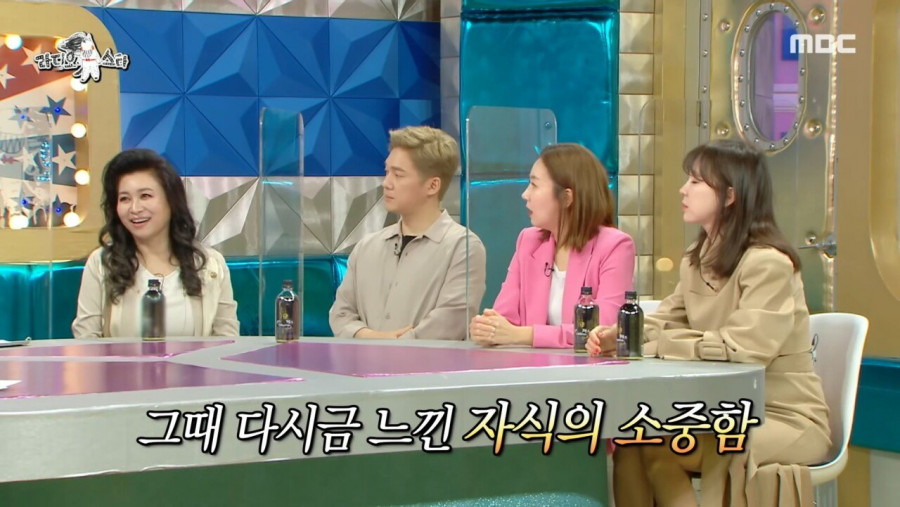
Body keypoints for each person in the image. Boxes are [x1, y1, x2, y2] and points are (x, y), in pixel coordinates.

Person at [587, 139, 831, 506]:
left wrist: (664, 345)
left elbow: (745, 350)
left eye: (696, 181)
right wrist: (621, 335)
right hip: (722, 410)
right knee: (634, 441)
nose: (683, 190)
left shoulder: (768, 263)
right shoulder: (695, 258)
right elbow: (667, 319)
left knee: (674, 447)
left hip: (783, 416)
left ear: (730, 195)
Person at [469, 143, 635, 348]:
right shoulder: (528, 241)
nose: (525, 194)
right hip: (529, 364)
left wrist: (524, 335)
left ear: (566, 197)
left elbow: (603, 330)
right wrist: (487, 328)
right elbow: (504, 318)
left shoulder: (615, 246)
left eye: (534, 185)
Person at [329, 126, 486, 340]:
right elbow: (341, 315)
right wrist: (374, 338)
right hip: (364, 361)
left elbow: (451, 322)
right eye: (387, 172)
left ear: (432, 185)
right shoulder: (367, 247)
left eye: (398, 175)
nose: (387, 183)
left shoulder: (463, 247)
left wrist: (394, 346)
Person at [72, 149, 239, 338]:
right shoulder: (102, 264)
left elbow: (227, 340)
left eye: (145, 196)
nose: (135, 208)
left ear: (171, 200)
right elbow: (86, 340)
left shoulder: (210, 264)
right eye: (124, 199)